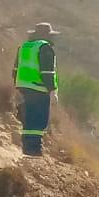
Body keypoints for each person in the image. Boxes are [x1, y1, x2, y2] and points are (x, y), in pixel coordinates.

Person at [13, 21, 60, 156]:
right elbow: (47, 72)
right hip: (39, 88)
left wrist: (16, 87)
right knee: (39, 119)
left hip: (24, 88)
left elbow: (15, 69)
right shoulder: (45, 48)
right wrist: (52, 91)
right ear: (47, 36)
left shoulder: (24, 47)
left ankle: (27, 147)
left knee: (28, 118)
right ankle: (33, 150)